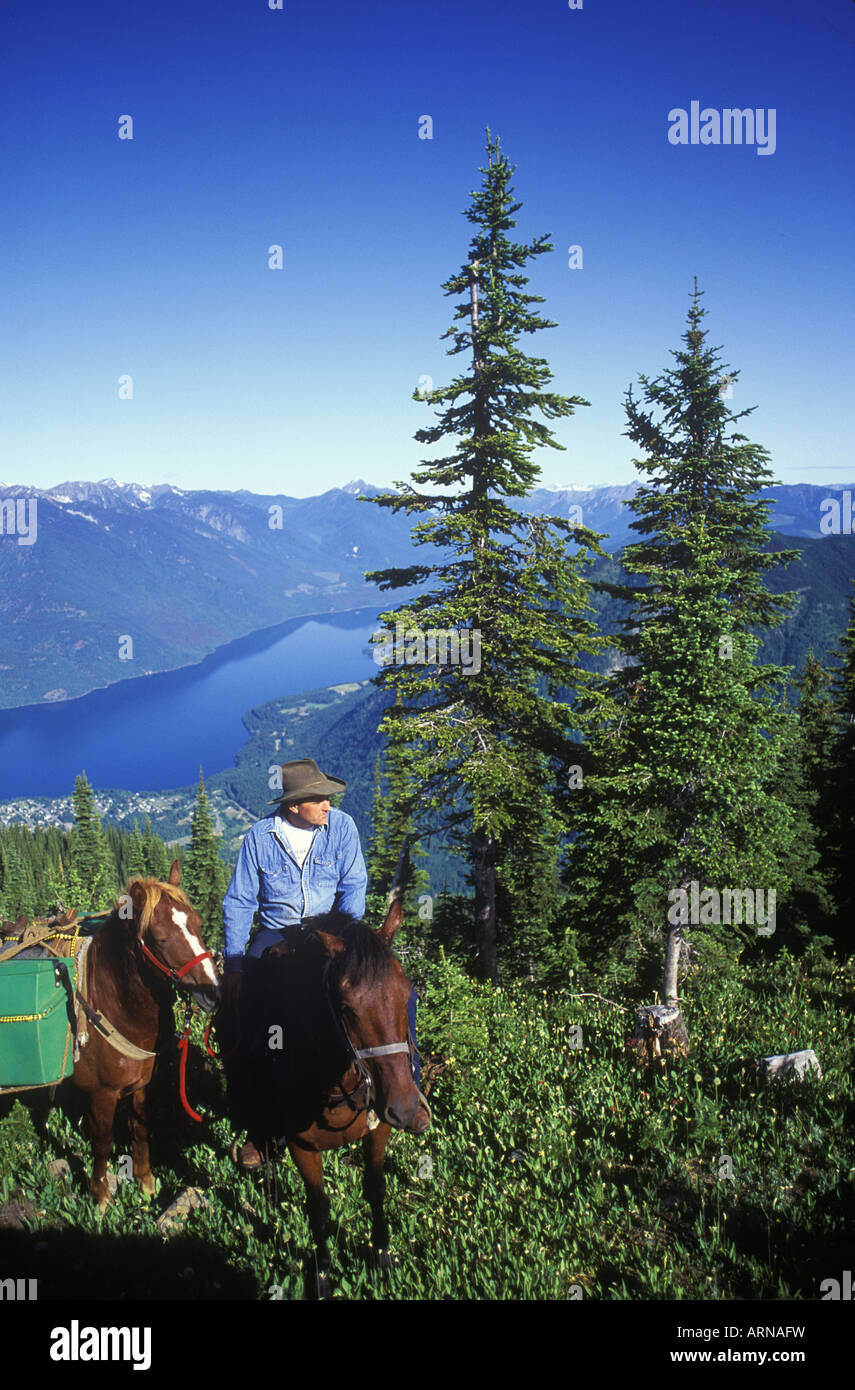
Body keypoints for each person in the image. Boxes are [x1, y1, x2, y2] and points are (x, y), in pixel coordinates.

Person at [221, 757, 368, 1169]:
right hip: (276, 933)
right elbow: (239, 902)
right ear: (293, 806)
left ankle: (397, 1086)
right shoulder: (259, 838)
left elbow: (355, 883)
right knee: (250, 1015)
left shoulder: (342, 827)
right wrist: (234, 965)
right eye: (318, 799)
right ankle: (263, 1126)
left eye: (327, 798)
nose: (328, 805)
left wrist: (346, 935)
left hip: (330, 930)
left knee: (375, 995)